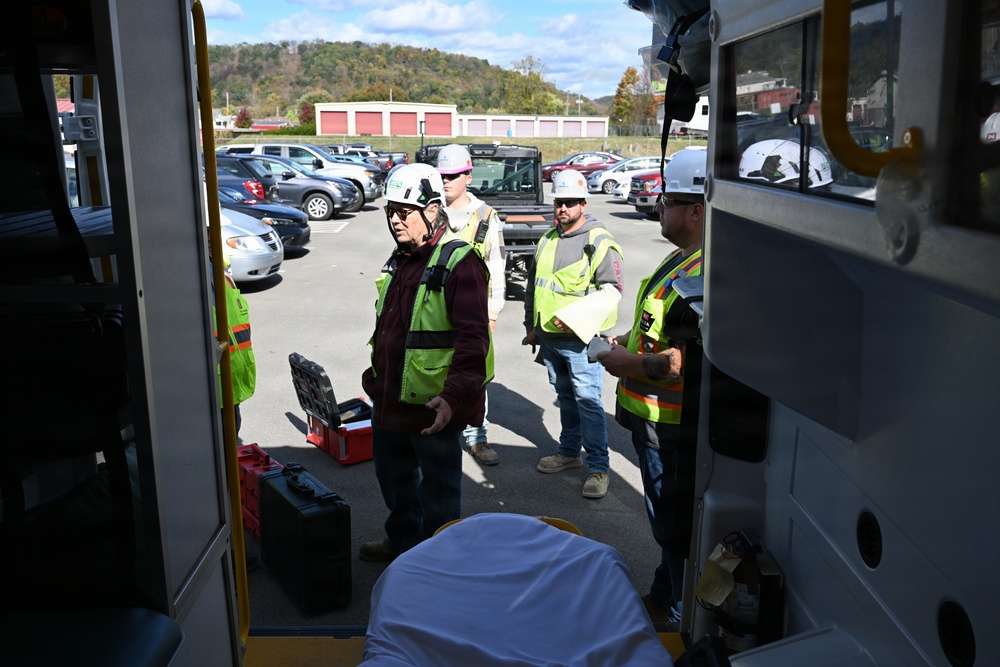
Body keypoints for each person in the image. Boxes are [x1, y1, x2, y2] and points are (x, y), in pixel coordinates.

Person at [596, 147, 707, 625]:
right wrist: (627, 340)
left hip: (672, 428)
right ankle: (665, 596)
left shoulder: (706, 273)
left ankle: (678, 613)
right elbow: (662, 330)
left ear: (697, 210)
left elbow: (679, 362)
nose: (658, 208)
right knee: (667, 519)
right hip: (654, 423)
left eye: (666, 201)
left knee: (674, 524)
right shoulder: (683, 259)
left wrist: (625, 362)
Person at [360, 164, 493, 562]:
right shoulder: (401, 258)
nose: (395, 220)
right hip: (391, 398)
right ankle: (401, 542)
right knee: (394, 480)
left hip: (434, 406)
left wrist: (452, 397)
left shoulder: (459, 262)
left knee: (438, 495)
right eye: (391, 212)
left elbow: (473, 342)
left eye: (405, 212)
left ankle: (439, 565)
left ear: (432, 210)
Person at [523, 169, 624, 499]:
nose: (562, 208)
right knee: (566, 399)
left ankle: (598, 467)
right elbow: (534, 288)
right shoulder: (548, 239)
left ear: (583, 203)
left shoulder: (598, 241)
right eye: (558, 203)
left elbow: (611, 291)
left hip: (580, 342)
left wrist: (576, 317)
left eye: (568, 203)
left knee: (589, 403)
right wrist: (532, 327)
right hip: (550, 339)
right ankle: (569, 453)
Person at [436, 144, 506, 466]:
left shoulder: (486, 217)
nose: (446, 181)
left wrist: (492, 313)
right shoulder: (432, 210)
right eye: (442, 175)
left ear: (467, 176)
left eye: (452, 176)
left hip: (474, 310)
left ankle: (477, 437)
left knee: (476, 374)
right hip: (435, 310)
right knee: (434, 369)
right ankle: (438, 426)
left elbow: (496, 266)